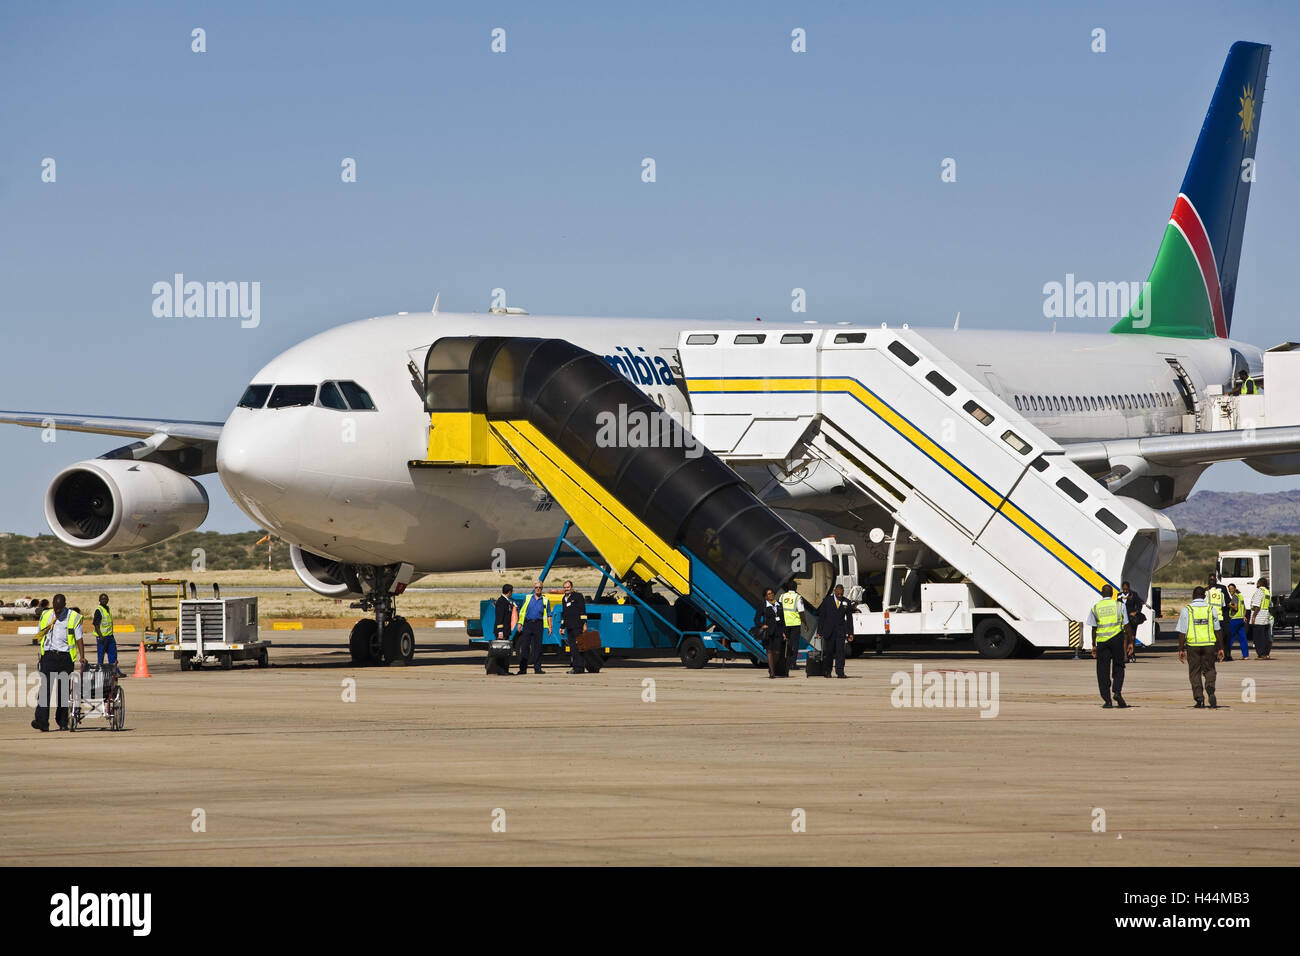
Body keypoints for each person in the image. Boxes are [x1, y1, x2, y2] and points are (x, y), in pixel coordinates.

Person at [32, 593, 84, 732]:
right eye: (55, 608)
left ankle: (62, 721)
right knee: (45, 689)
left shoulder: (73, 617)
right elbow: (40, 633)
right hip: (49, 656)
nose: (57, 611)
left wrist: (82, 656)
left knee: (63, 692)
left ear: (65, 605)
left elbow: (79, 638)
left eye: (60, 609)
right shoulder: (47, 615)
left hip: (65, 658)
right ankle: (42, 721)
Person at [1176, 586, 1223, 707]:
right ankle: (1210, 687)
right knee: (1210, 669)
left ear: (1193, 596)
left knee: (1194, 672)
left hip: (1193, 645)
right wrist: (1221, 647)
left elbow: (1182, 632)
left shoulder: (1187, 610)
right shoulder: (1211, 609)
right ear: (1204, 596)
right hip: (1209, 645)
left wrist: (1181, 649)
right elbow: (1217, 629)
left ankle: (1199, 698)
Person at [1087, 584, 1129, 708]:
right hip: (1117, 639)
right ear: (1112, 594)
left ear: (1101, 593)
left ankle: (1107, 700)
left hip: (1102, 641)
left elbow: (1094, 628)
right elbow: (1126, 625)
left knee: (1102, 670)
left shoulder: (1096, 607)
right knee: (1119, 666)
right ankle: (1117, 691)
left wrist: (1093, 645)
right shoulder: (1120, 605)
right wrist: (1130, 642)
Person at [815, 584, 853, 679]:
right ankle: (827, 671)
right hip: (829, 631)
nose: (840, 595)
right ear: (835, 591)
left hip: (841, 631)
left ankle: (840, 672)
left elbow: (849, 619)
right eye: (838, 594)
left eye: (841, 594)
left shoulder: (846, 602)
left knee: (840, 652)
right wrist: (819, 631)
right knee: (829, 652)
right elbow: (822, 617)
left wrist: (850, 633)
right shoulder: (827, 601)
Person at [516, 582, 551, 675]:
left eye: (540, 587)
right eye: (536, 587)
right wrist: (520, 623)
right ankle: (523, 669)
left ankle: (537, 668)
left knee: (538, 648)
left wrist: (550, 626)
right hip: (528, 624)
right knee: (525, 647)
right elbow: (522, 611)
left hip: (538, 625)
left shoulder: (545, 600)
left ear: (542, 588)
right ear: (533, 588)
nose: (538, 589)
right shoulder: (527, 598)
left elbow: (549, 614)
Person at [754, 587, 785, 678]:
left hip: (778, 631)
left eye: (772, 593)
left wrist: (783, 632)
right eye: (768, 594)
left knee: (777, 652)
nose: (771, 595)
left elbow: (783, 620)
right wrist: (761, 625)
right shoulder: (763, 606)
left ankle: (771, 667)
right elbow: (756, 619)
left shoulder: (779, 604)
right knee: (769, 651)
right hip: (768, 632)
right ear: (765, 597)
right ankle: (772, 672)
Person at [560, 580, 589, 674]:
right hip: (569, 627)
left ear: (571, 587)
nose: (566, 589)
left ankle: (580, 668)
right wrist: (562, 626)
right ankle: (575, 667)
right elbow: (564, 614)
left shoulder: (578, 596)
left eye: (568, 587)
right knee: (572, 648)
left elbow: (583, 611)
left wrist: (584, 623)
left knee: (578, 647)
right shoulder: (564, 598)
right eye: (565, 587)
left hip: (578, 626)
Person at [93, 593, 124, 678]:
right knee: (101, 656)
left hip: (110, 636)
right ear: (99, 600)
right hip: (102, 638)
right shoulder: (99, 610)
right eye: (102, 599)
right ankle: (100, 672)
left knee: (113, 655)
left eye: (106, 599)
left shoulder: (108, 609)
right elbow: (96, 625)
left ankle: (115, 671)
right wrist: (101, 636)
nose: (104, 600)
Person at [778, 582, 805, 672]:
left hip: (784, 623)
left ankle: (785, 662)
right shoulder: (798, 597)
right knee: (794, 644)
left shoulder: (782, 596)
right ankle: (792, 663)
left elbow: (779, 609)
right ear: (796, 588)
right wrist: (805, 623)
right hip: (795, 623)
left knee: (785, 643)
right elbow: (801, 611)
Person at [1119, 580, 1144, 663]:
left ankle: (1132, 652)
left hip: (1131, 619)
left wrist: (1136, 612)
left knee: (1132, 637)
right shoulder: (1119, 596)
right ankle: (1125, 655)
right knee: (1124, 637)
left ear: (1129, 588)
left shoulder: (1134, 595)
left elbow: (1139, 604)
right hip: (1123, 619)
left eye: (1127, 589)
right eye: (1124, 589)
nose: (1125, 591)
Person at [1249, 577, 1273, 660]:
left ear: (1260, 583)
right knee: (1265, 637)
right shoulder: (1267, 592)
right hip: (1265, 616)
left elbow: (1257, 605)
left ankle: (1261, 654)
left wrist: (1253, 616)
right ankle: (1266, 654)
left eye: (1258, 582)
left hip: (1259, 617)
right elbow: (1270, 605)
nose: (1257, 584)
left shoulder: (1260, 591)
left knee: (1258, 637)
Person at [1226, 583, 1249, 660]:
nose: (1230, 591)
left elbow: (1235, 608)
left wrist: (1228, 605)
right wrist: (1244, 616)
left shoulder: (1235, 597)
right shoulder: (1240, 596)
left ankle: (1227, 654)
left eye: (1231, 589)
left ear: (1235, 589)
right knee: (1242, 638)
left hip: (1235, 619)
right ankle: (1245, 655)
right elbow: (1244, 608)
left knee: (1230, 638)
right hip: (1241, 620)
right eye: (1229, 589)